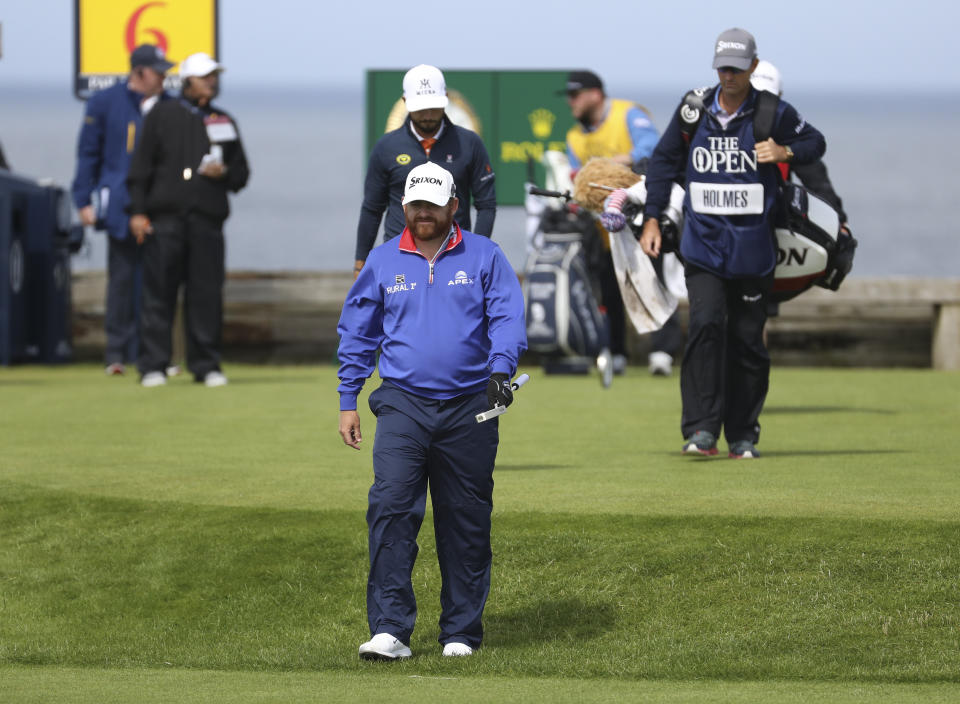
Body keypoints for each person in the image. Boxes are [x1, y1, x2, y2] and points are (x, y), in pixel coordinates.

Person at [337, 162, 526, 659]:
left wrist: (500, 371)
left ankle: (461, 632)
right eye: (415, 206)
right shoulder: (382, 261)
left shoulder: (485, 255)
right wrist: (347, 399)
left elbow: (507, 316)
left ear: (452, 206)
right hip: (402, 403)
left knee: (465, 519)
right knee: (392, 508)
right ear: (404, 209)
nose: (424, 214)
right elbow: (357, 334)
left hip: (471, 405)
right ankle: (391, 630)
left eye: (433, 205)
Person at [640, 28, 825, 459]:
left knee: (746, 341)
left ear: (753, 68)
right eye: (723, 67)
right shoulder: (693, 109)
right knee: (704, 328)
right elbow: (665, 161)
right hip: (702, 247)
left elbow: (815, 142)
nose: (729, 76)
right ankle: (702, 431)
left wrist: (784, 152)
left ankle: (743, 434)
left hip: (753, 250)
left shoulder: (772, 111)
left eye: (738, 69)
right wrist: (652, 217)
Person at [127, 52, 250, 388]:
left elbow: (241, 174)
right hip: (164, 221)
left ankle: (206, 365)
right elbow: (140, 169)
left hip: (207, 223)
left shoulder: (223, 120)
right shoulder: (162, 115)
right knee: (158, 295)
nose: (212, 82)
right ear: (188, 81)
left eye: (214, 76)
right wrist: (138, 212)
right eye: (205, 76)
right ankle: (153, 365)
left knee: (206, 295)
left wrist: (223, 172)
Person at [71, 44, 173, 376]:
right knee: (122, 279)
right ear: (139, 71)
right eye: (158, 72)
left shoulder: (171, 106)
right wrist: (82, 198)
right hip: (118, 205)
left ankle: (157, 354)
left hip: (159, 207)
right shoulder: (104, 103)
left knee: (158, 283)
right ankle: (117, 353)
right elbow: (88, 153)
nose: (163, 78)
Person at [562, 70, 668, 375]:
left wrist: (609, 165)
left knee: (655, 282)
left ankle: (660, 352)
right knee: (611, 290)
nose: (571, 102)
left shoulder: (627, 115)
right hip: (602, 226)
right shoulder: (574, 136)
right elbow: (574, 176)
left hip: (642, 217)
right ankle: (617, 352)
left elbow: (653, 150)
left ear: (595, 93)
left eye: (575, 95)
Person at [354, 64, 496, 279]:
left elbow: (486, 205)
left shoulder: (469, 143)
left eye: (434, 106)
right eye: (421, 108)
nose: (428, 115)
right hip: (399, 258)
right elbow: (372, 209)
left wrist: (477, 255)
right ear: (405, 103)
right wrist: (360, 263)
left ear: (446, 99)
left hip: (455, 258)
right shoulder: (386, 147)